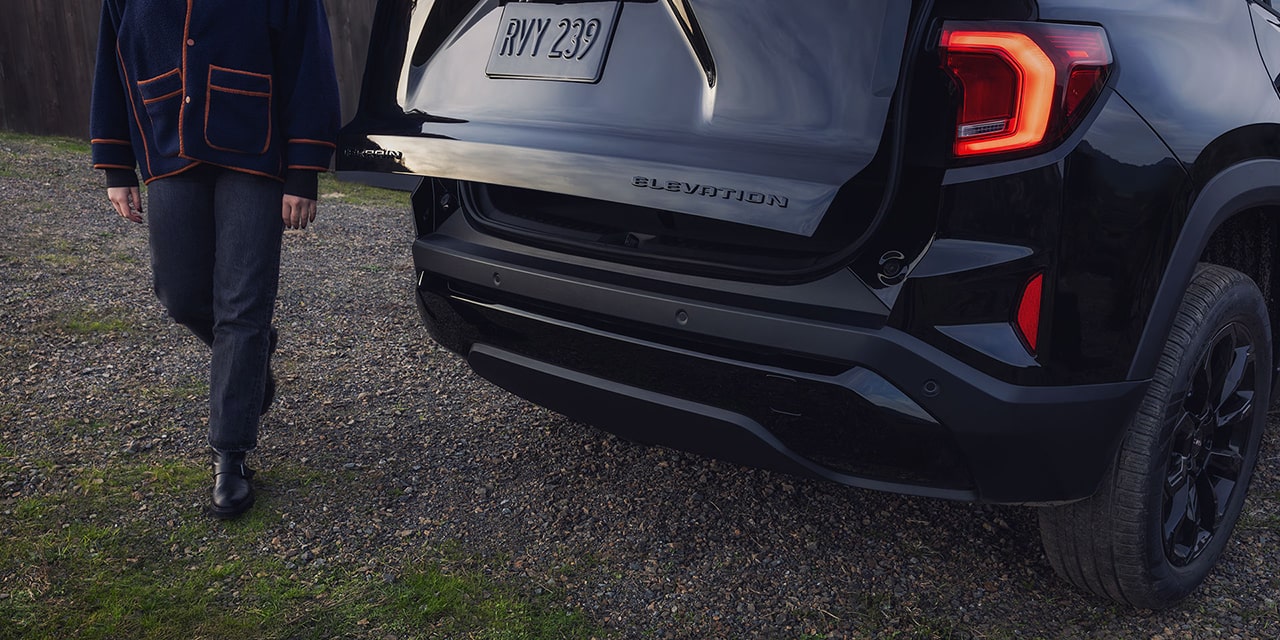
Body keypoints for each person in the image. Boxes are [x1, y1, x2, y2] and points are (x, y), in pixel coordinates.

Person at [90, 0, 341, 519]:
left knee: (242, 305)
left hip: (256, 151)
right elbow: (110, 65)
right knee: (180, 295)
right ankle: (250, 361)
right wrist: (115, 165)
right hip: (168, 147)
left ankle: (230, 456)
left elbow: (309, 63)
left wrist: (304, 170)